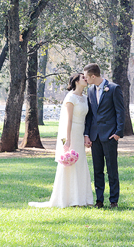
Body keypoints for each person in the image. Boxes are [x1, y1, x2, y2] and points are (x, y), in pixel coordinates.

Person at [29, 73, 93, 208]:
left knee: (80, 164)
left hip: (80, 132)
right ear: (76, 81)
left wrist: (86, 136)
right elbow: (67, 120)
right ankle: (67, 199)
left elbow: (88, 119)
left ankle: (81, 199)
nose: (86, 79)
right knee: (70, 165)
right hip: (72, 132)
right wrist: (67, 141)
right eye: (83, 78)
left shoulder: (86, 98)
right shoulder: (70, 97)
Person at [83, 62, 125, 209]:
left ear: (93, 76)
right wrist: (87, 134)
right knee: (97, 170)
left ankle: (114, 200)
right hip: (95, 137)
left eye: (87, 77)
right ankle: (99, 200)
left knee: (112, 170)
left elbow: (120, 111)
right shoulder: (90, 91)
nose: (85, 79)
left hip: (110, 136)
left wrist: (118, 133)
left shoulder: (113, 88)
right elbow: (89, 116)